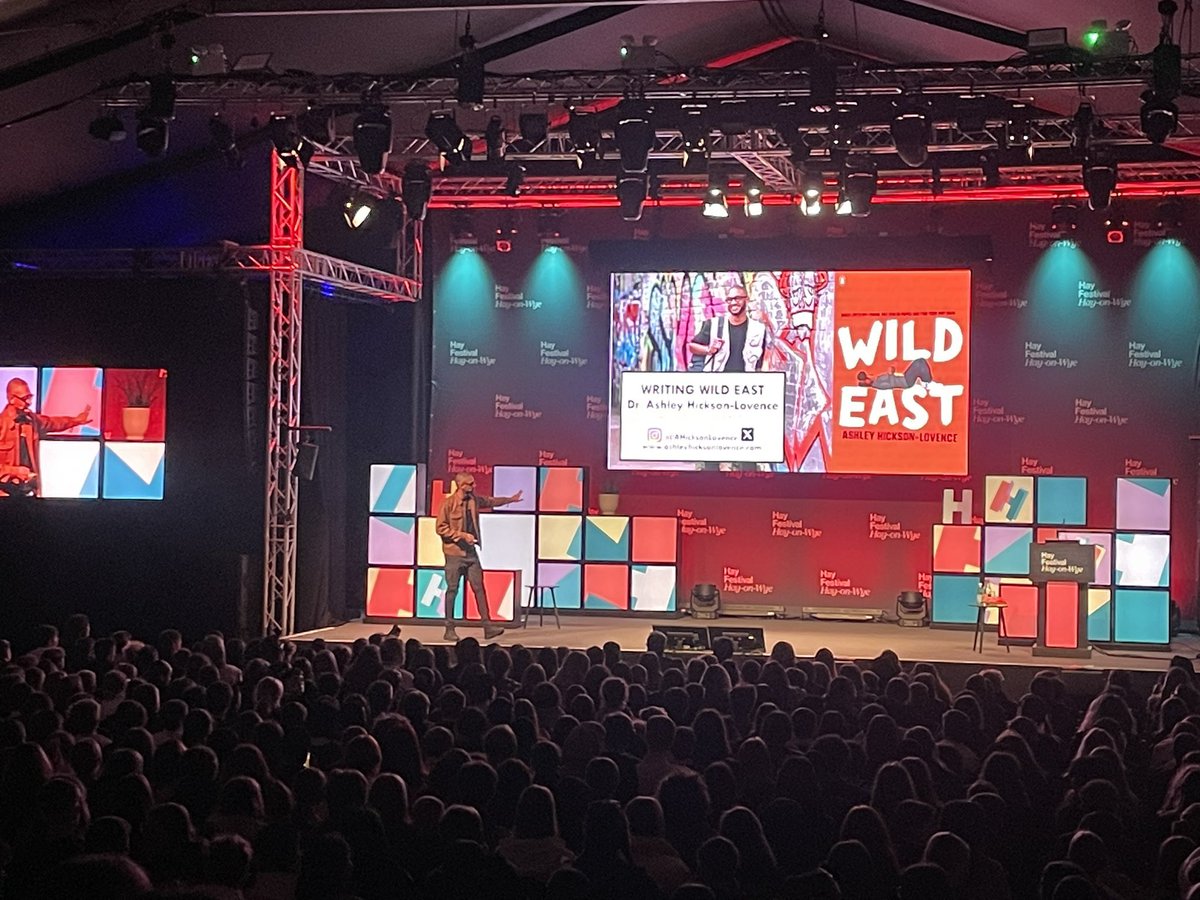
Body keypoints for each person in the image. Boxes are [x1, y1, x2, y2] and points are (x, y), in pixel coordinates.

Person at [435, 472, 523, 642]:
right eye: (470, 484)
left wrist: (510, 500)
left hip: (470, 553)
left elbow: (490, 501)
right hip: (454, 554)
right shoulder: (448, 504)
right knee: (452, 590)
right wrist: (461, 535)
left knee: (479, 588)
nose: (474, 486)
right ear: (461, 486)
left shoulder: (473, 500)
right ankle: (449, 628)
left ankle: (488, 626)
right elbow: (440, 528)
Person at [0, 377, 92, 497]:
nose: (29, 402)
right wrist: (15, 472)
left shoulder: (31, 420)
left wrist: (75, 420)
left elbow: (53, 422)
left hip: (29, 490)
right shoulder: (2, 424)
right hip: (4, 493)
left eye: (30, 397)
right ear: (12, 399)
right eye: (24, 398)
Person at [686, 281, 769, 374]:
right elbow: (692, 346)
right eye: (729, 300)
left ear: (747, 300)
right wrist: (708, 350)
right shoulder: (714, 325)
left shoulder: (758, 329)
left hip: (745, 382)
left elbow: (763, 359)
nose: (733, 302)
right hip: (718, 381)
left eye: (737, 298)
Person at [856, 358, 933, 390]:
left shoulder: (876, 379)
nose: (869, 378)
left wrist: (891, 372)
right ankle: (926, 382)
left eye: (867, 377)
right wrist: (891, 374)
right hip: (905, 382)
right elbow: (891, 385)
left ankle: (926, 380)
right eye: (866, 379)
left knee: (920, 362)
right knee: (918, 364)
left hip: (903, 377)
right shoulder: (877, 384)